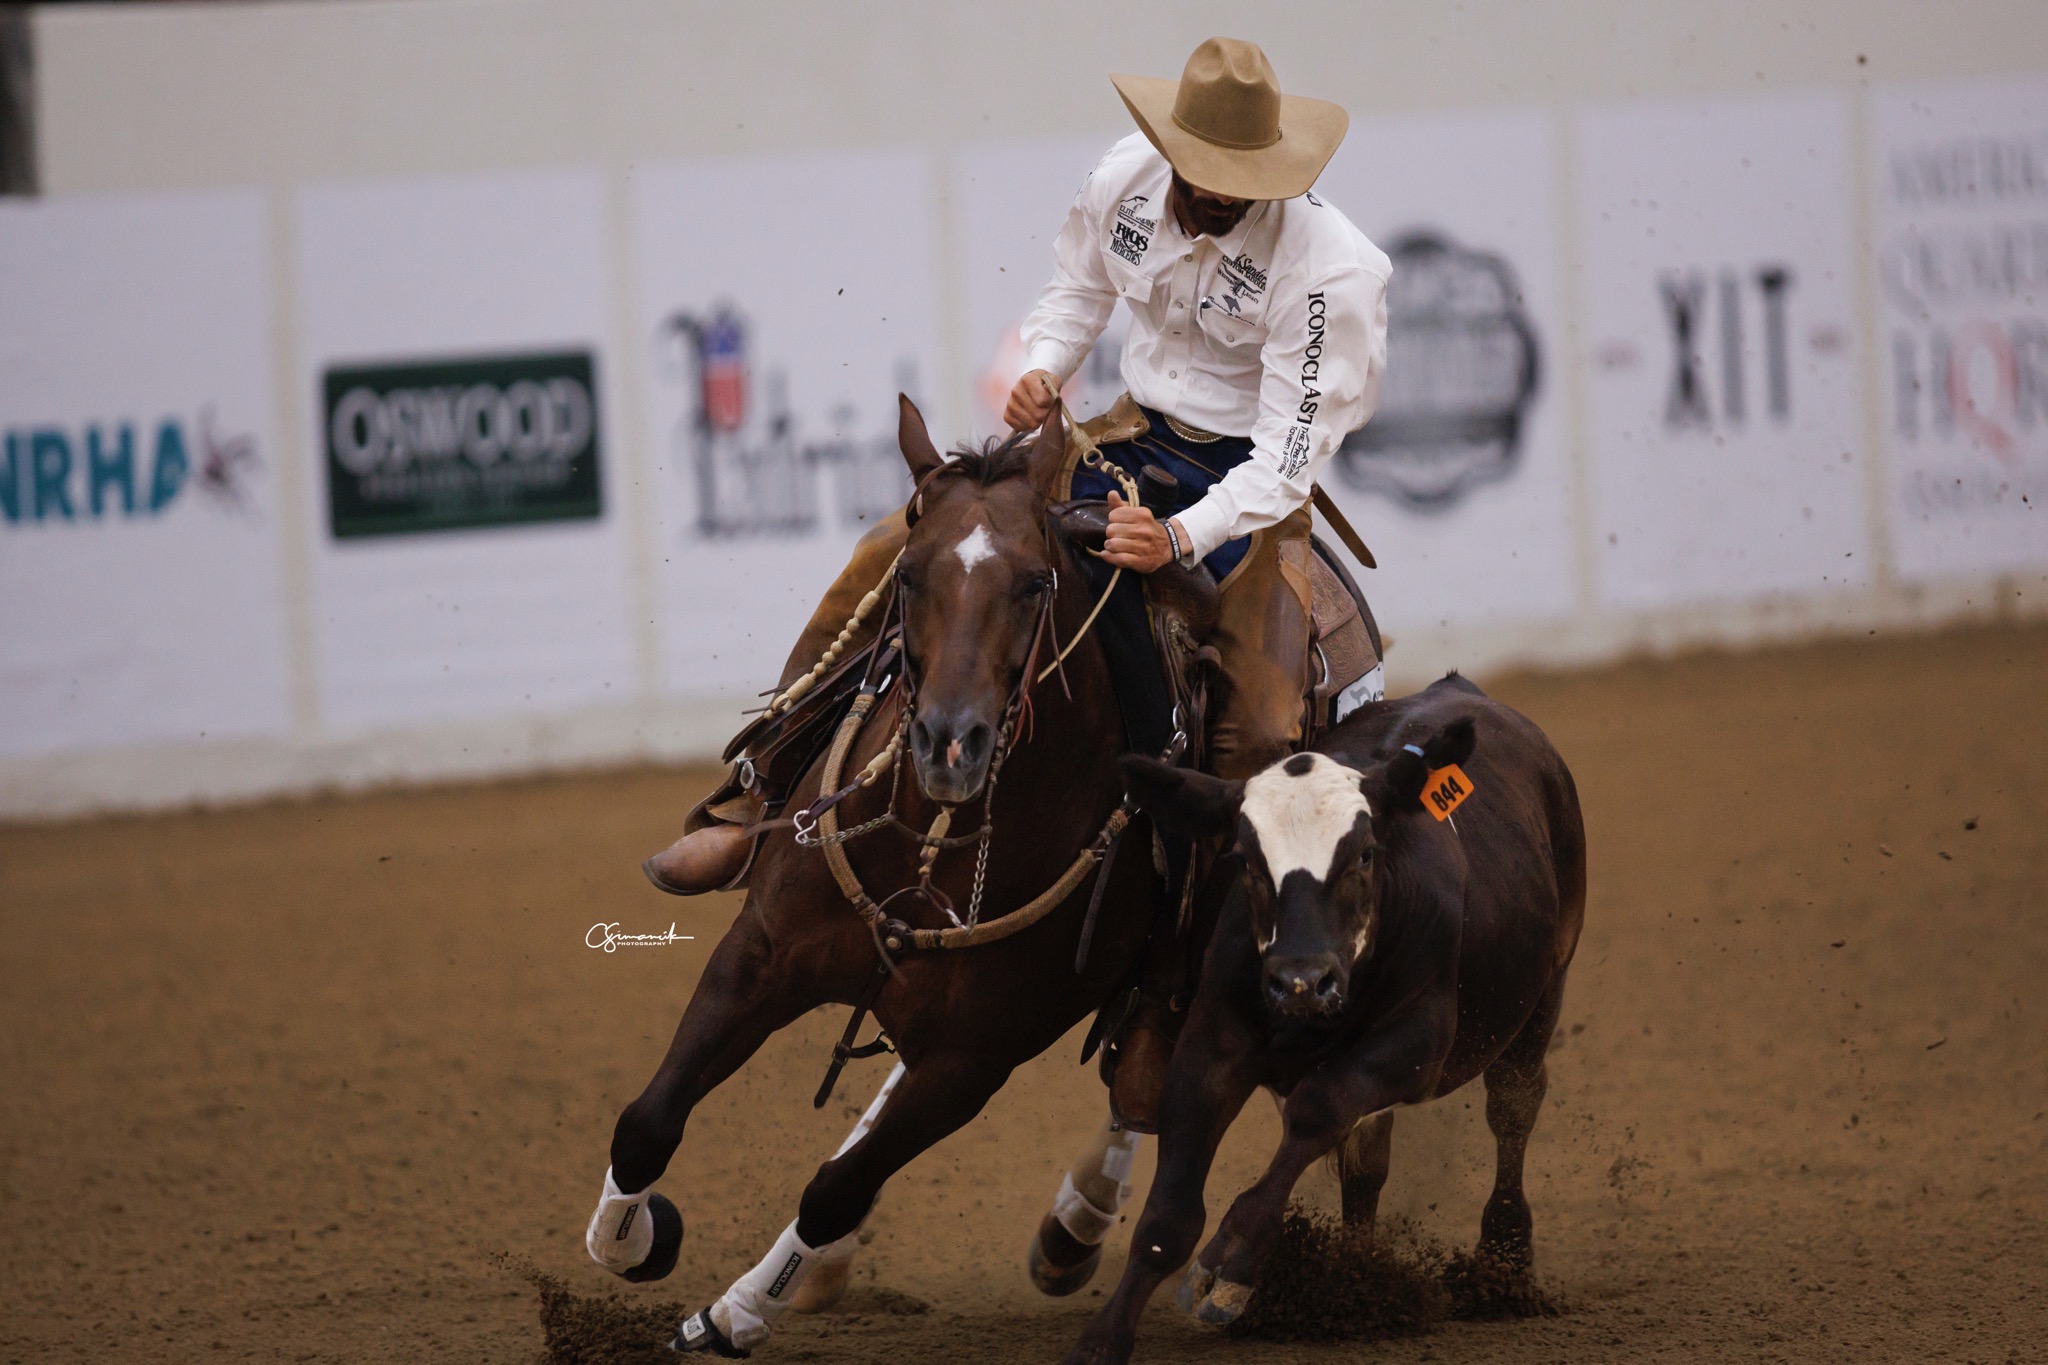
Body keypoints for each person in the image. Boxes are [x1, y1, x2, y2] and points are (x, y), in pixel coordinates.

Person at [644, 36, 1390, 1127]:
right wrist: (1044, 364)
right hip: (1124, 437)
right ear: (1171, 153)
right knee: (897, 550)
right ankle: (754, 792)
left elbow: (1286, 456)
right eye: (1205, 177)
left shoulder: (1331, 268)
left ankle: (1168, 980)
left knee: (1264, 734)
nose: (1220, 198)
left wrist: (1176, 542)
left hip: (1244, 494)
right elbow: (1072, 294)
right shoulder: (1122, 182)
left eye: (1245, 185)